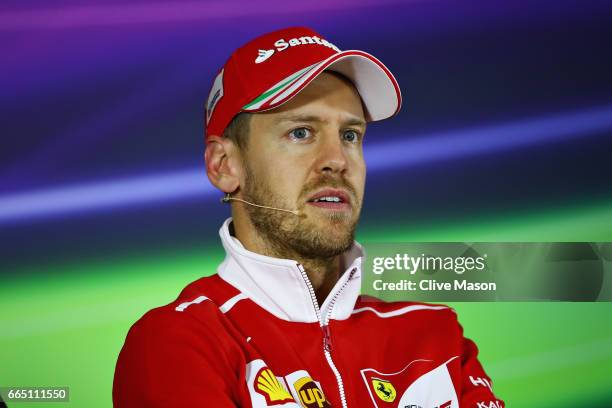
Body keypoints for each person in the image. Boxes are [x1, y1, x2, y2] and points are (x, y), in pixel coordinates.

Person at [113, 26, 505, 408]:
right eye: (301, 132)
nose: (337, 160)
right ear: (224, 166)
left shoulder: (435, 337)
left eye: (351, 135)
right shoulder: (179, 342)